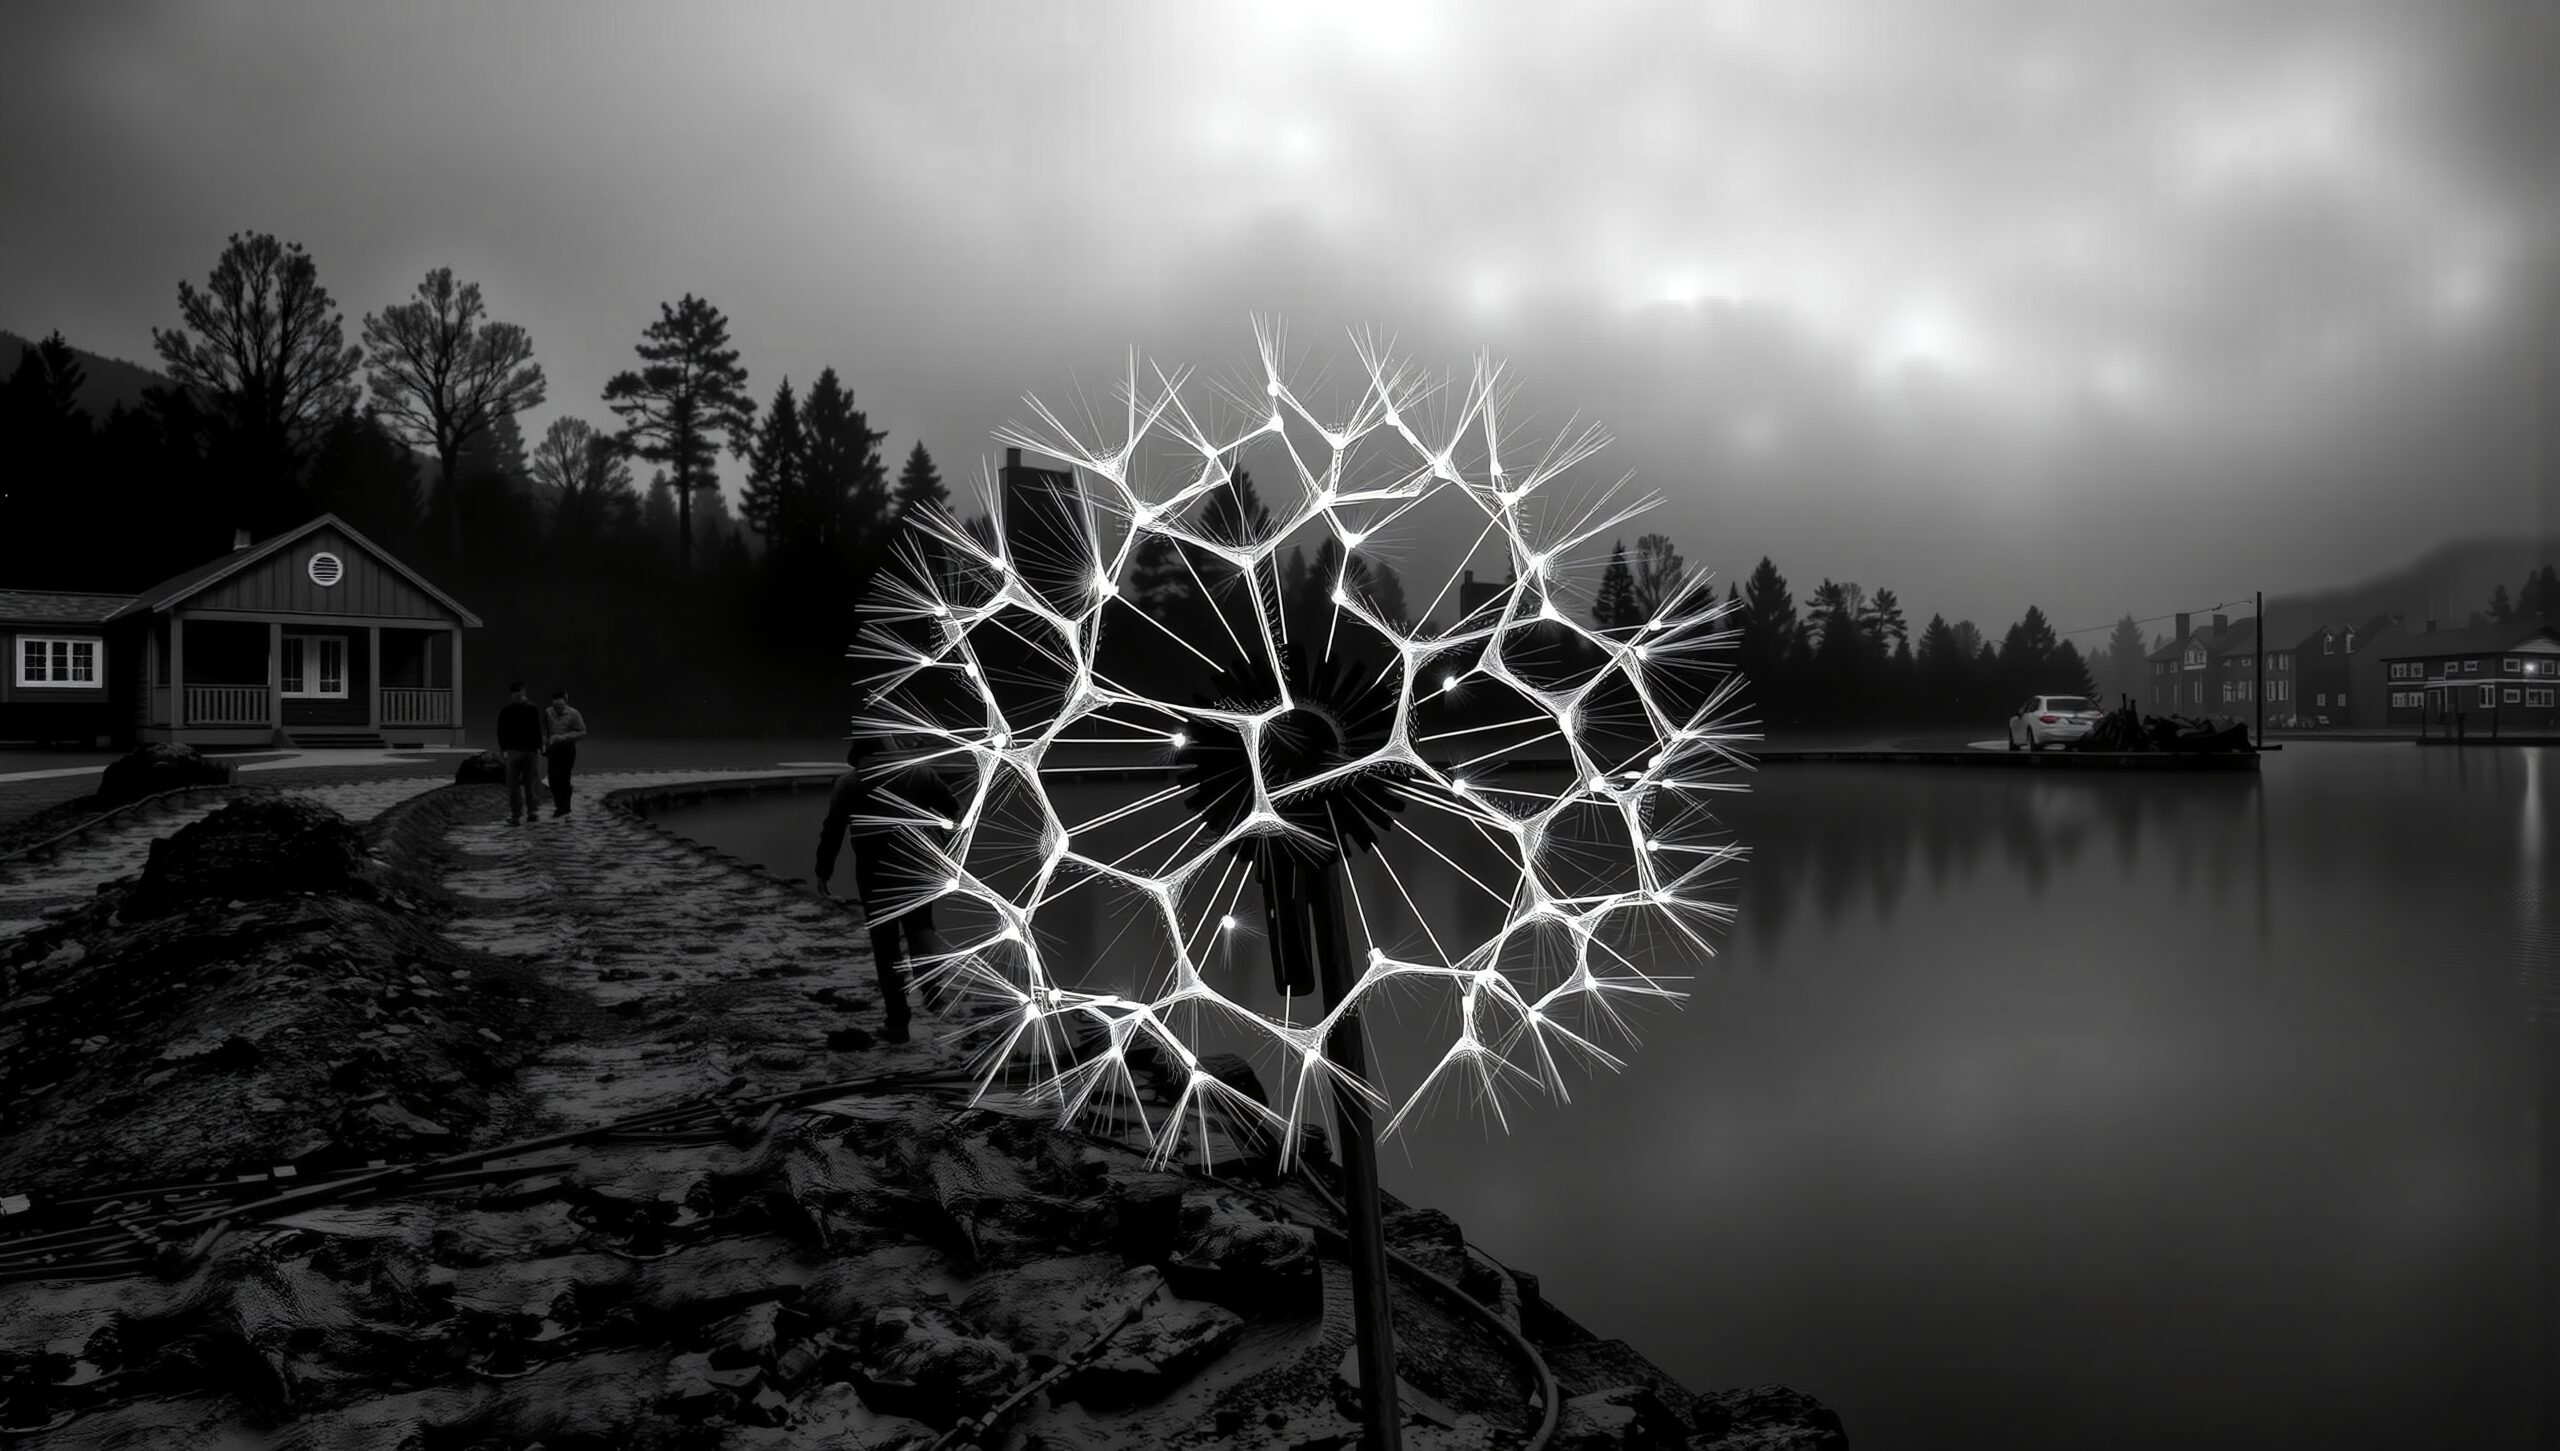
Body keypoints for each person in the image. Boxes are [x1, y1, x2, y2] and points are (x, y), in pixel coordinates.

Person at [816, 736, 961, 1044]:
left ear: (857, 754)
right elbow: (953, 807)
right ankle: (933, 991)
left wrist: (823, 871)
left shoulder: (849, 783)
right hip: (920, 866)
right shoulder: (920, 773)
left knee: (886, 949)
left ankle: (898, 1024)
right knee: (921, 928)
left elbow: (833, 830)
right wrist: (938, 841)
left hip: (875, 872)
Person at [495, 680, 544, 826]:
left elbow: (537, 730)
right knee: (514, 785)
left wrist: (539, 747)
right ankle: (518, 814)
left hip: (529, 751)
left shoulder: (531, 710)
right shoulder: (506, 712)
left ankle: (531, 812)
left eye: (521, 694)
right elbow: (501, 732)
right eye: (517, 694)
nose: (519, 697)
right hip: (514, 751)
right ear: (512, 695)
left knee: (530, 783)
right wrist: (503, 749)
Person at [542, 688, 589, 818]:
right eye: (555, 704)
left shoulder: (574, 714)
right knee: (552, 779)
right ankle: (559, 804)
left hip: (567, 749)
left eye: (560, 704)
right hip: (553, 749)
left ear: (565, 702)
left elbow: (583, 732)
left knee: (563, 778)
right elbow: (545, 730)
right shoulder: (548, 712)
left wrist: (564, 737)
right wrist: (545, 744)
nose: (557, 707)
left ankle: (565, 807)